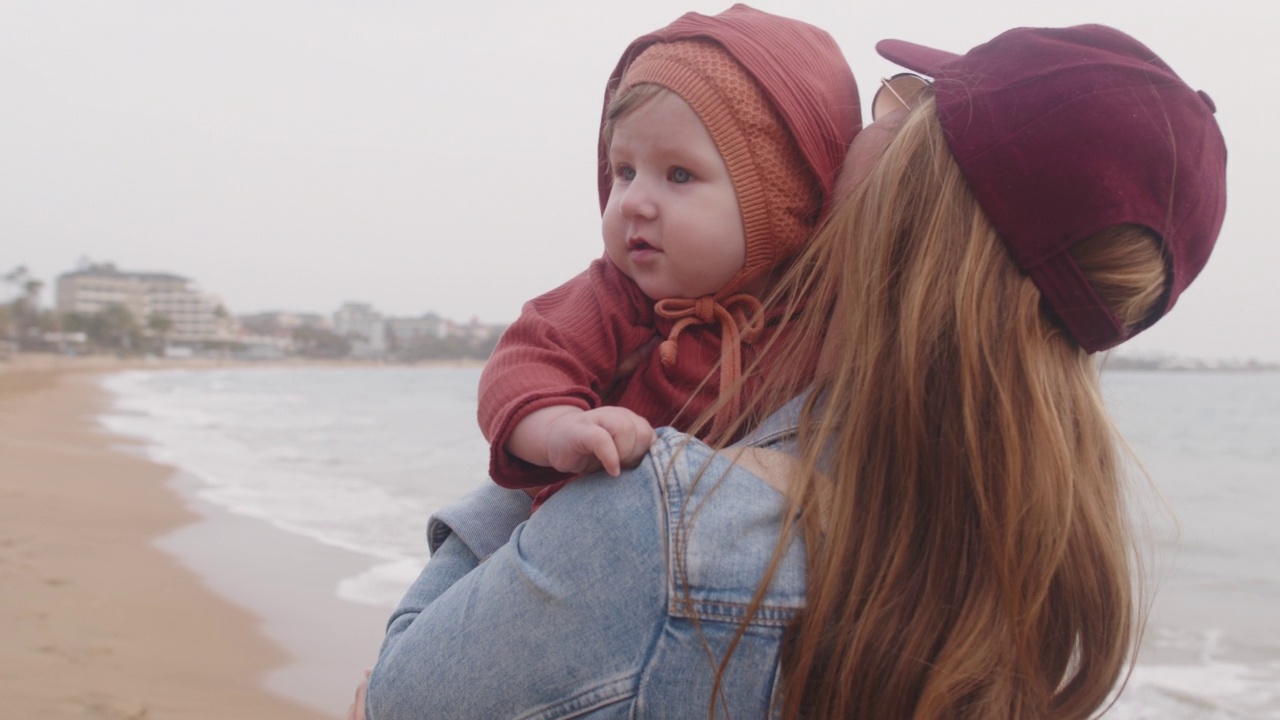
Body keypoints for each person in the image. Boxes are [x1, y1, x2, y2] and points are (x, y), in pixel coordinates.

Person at [354, 23, 1227, 720]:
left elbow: (391, 700)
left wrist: (563, 422)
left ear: (914, 192)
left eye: (906, 102)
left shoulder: (664, 523)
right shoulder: (1030, 566)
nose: (868, 119)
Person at [476, 4, 859, 506]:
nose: (632, 201)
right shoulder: (617, 295)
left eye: (679, 175)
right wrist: (560, 428)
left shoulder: (826, 317)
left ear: (782, 203)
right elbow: (524, 363)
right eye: (625, 170)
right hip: (596, 542)